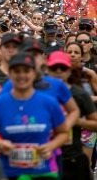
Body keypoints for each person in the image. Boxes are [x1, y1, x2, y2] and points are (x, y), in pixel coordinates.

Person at [0, 53, 69, 180]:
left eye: (26, 71)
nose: (22, 75)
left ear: (34, 73)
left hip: (43, 173)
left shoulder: (48, 102)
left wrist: (51, 146)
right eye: (17, 71)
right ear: (10, 74)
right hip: (9, 173)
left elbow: (63, 133)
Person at [46, 51, 97, 180]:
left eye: (62, 68)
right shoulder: (37, 92)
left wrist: (78, 121)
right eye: (54, 67)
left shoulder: (79, 94)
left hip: (71, 158)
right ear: (47, 69)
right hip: (44, 157)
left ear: (69, 71)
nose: (58, 71)